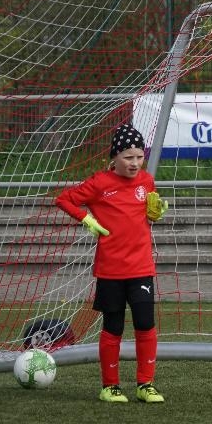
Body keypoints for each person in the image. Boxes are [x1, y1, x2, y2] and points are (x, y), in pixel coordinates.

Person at [55, 123, 168, 403]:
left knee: (145, 324)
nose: (135, 163)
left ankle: (145, 384)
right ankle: (110, 387)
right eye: (128, 157)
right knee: (113, 327)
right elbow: (64, 199)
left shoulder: (147, 181)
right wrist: (86, 219)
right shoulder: (99, 183)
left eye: (139, 157)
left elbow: (146, 215)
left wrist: (154, 214)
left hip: (141, 267)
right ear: (115, 157)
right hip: (110, 270)